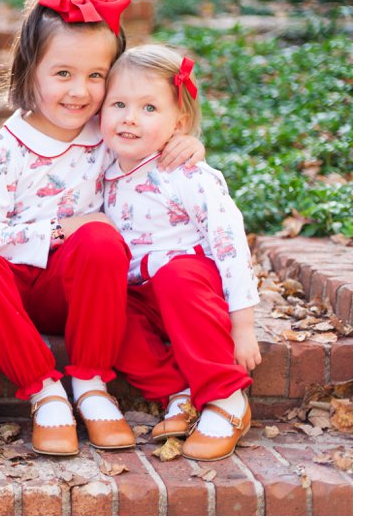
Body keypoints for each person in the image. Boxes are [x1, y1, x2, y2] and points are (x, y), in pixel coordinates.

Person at [0, 0, 204, 456]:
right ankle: (44, 392)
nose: (79, 92)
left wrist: (184, 144)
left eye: (96, 76)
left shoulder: (110, 136)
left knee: (101, 241)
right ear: (30, 71)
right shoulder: (3, 151)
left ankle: (90, 385)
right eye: (62, 74)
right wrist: (65, 227)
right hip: (12, 293)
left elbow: (156, 158)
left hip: (85, 293)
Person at [100, 45, 260, 461]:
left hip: (192, 286)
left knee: (174, 274)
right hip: (140, 292)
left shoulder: (185, 172)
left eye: (149, 108)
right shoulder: (101, 168)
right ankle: (180, 393)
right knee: (108, 316)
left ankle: (227, 396)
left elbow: (229, 242)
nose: (130, 117)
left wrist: (242, 325)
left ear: (180, 123)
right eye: (118, 104)